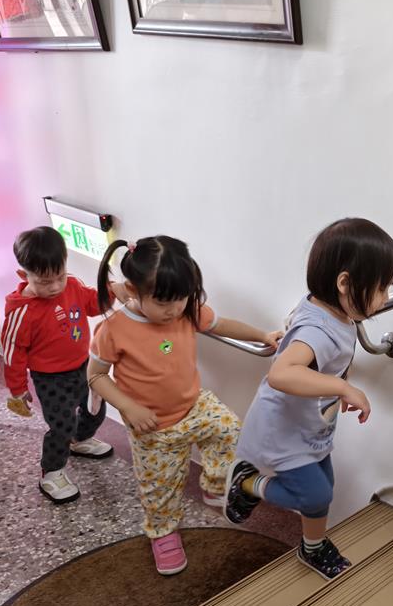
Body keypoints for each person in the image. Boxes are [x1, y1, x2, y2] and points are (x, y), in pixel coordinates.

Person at [86, 235, 282, 575]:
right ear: (132, 290)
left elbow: (223, 324)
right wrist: (128, 407)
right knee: (160, 489)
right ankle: (163, 533)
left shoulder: (187, 311)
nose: (175, 309)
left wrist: (263, 335)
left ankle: (216, 487)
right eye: (164, 302)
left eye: (182, 298)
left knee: (230, 430)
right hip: (152, 426)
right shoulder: (113, 330)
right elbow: (96, 376)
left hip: (194, 405)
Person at [223, 218, 393, 580]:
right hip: (282, 428)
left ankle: (312, 546)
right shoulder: (318, 329)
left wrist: (338, 384)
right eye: (382, 288)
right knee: (316, 495)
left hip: (309, 425)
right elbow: (281, 373)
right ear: (344, 283)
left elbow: (323, 361)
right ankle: (247, 484)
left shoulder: (333, 312)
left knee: (324, 488)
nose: (386, 298)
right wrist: (343, 388)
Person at [2, 226, 127, 503]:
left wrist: (113, 290)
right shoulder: (22, 311)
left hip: (83, 366)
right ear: (23, 275)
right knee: (62, 425)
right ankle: (51, 472)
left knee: (95, 410)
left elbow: (93, 303)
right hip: (50, 379)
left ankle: (80, 440)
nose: (55, 286)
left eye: (59, 276)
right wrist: (17, 389)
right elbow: (13, 353)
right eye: (45, 282)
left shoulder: (71, 285)